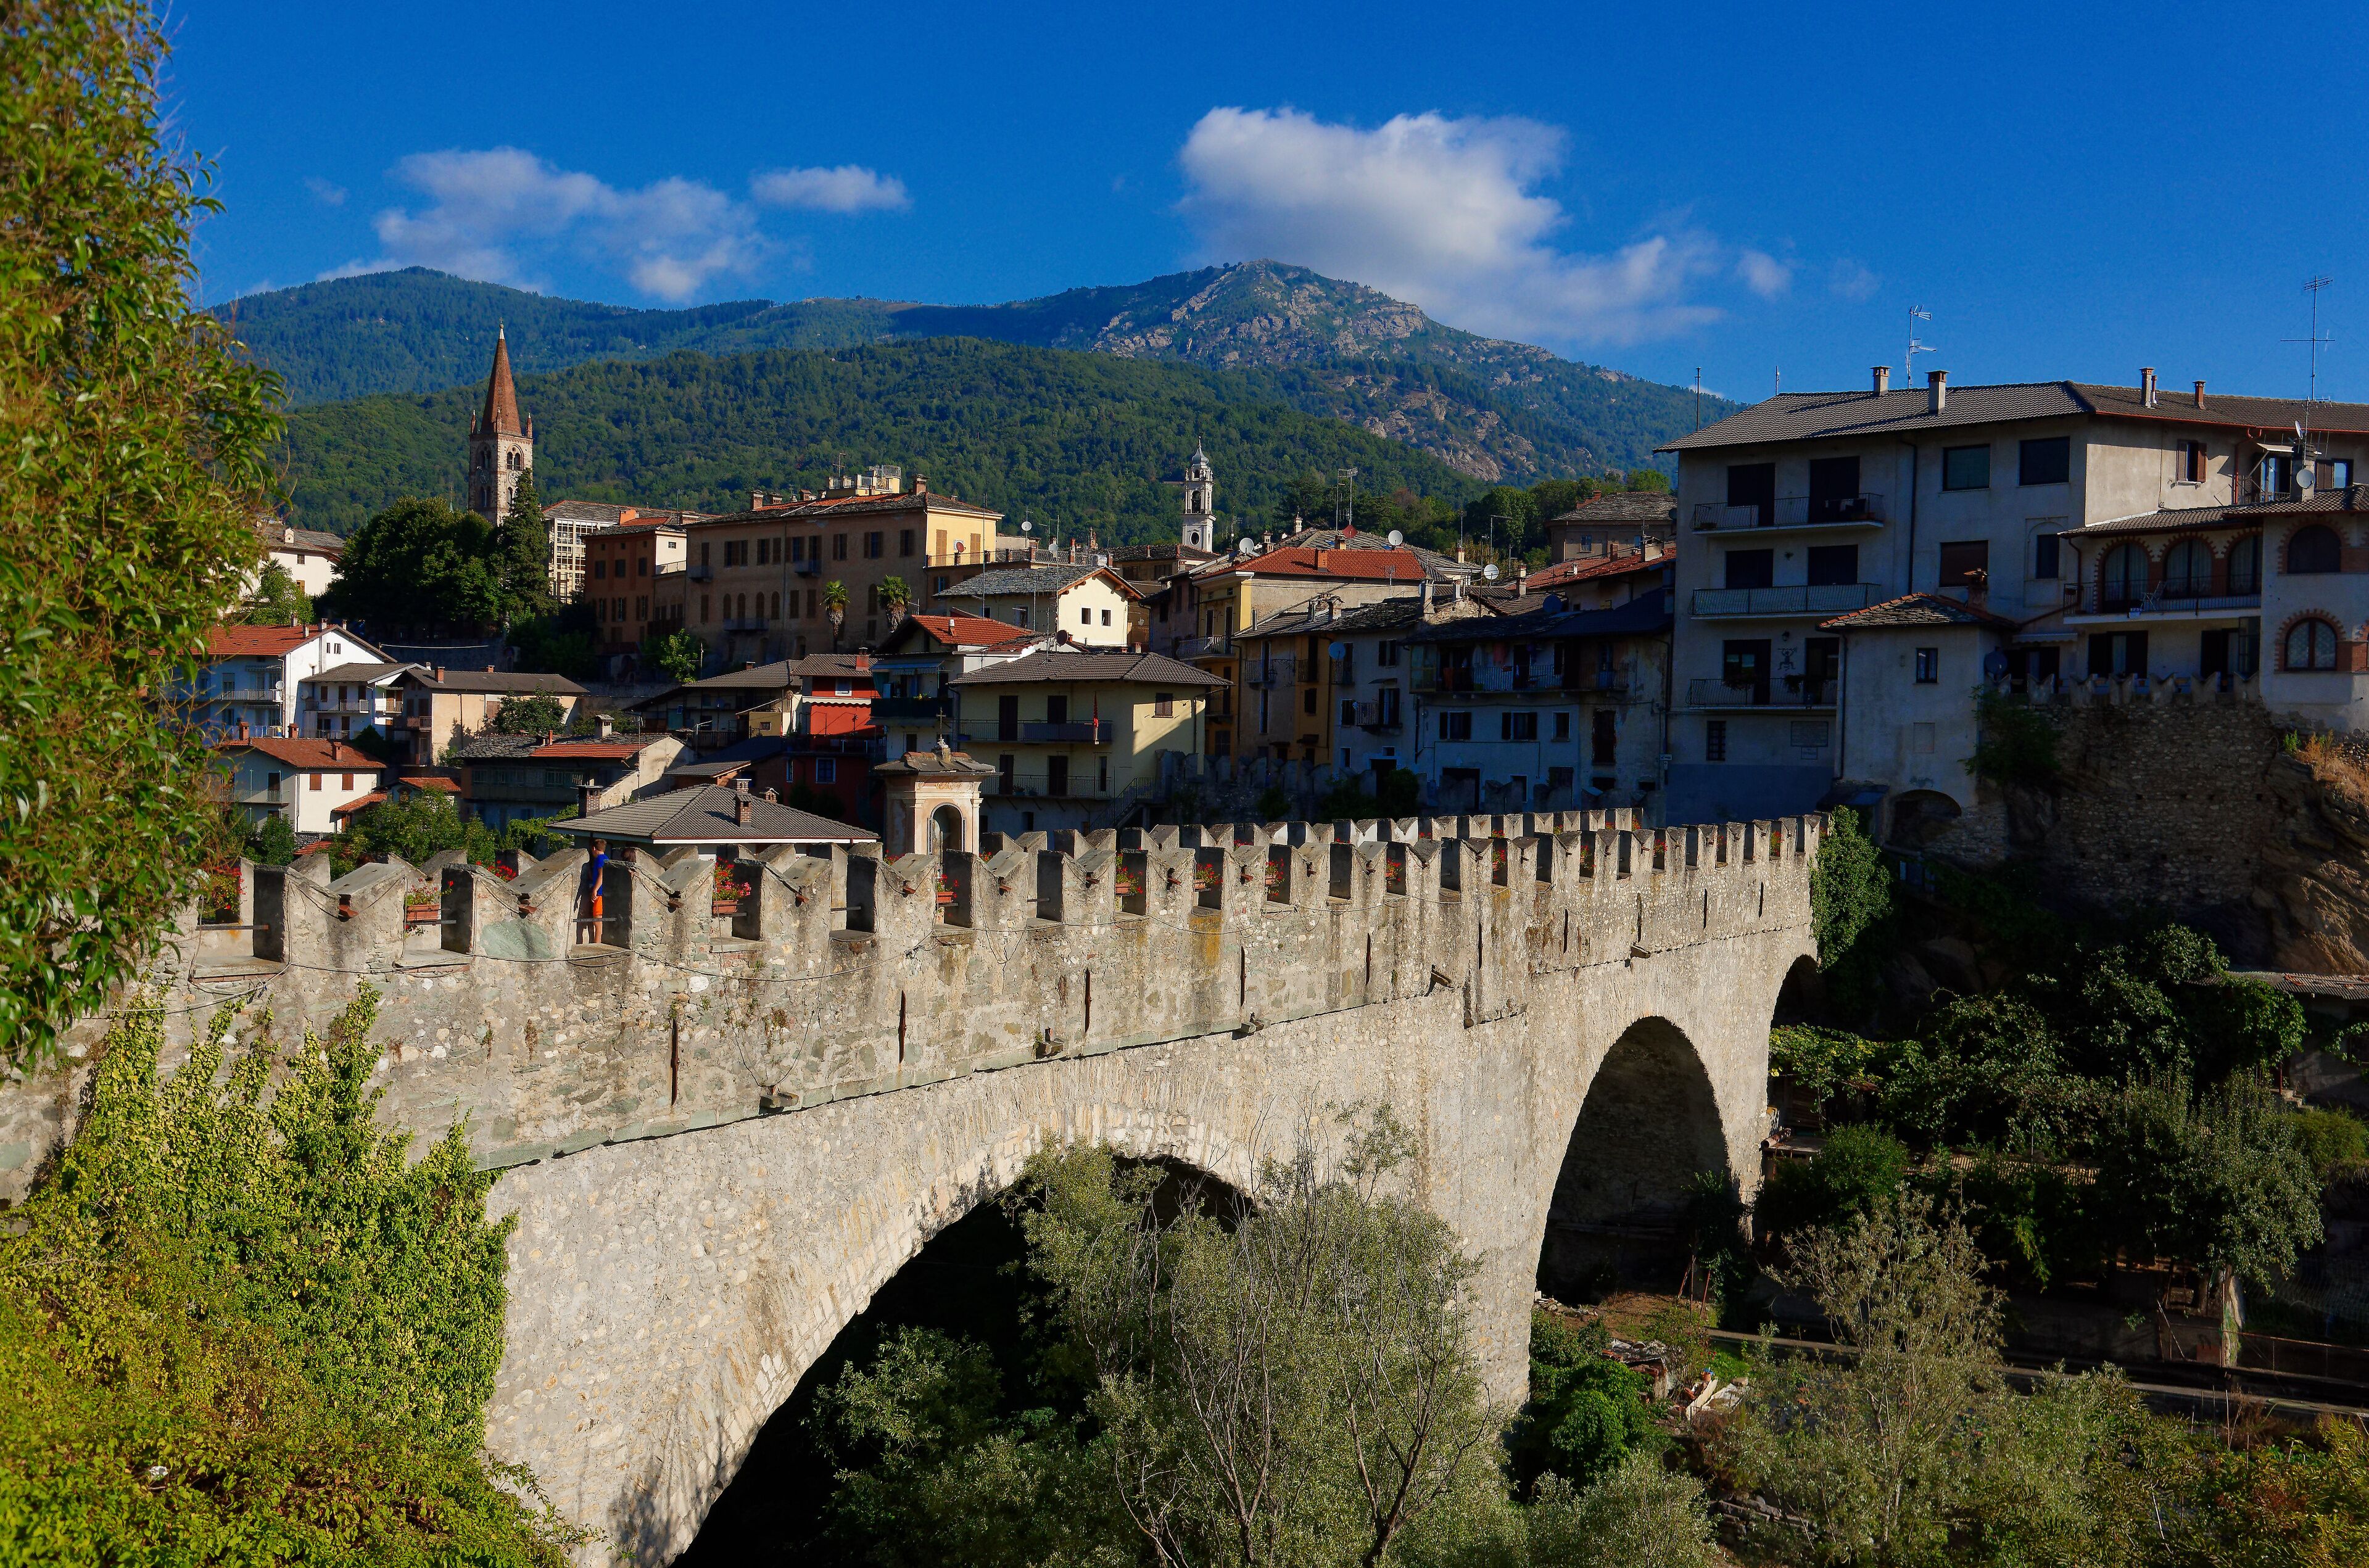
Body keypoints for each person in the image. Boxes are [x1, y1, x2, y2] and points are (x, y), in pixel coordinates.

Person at [587, 836, 609, 941]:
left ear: (594, 849)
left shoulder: (600, 859)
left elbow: (602, 875)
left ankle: (597, 945)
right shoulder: (606, 858)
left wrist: (595, 890)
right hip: (602, 892)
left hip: (599, 894)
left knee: (597, 921)